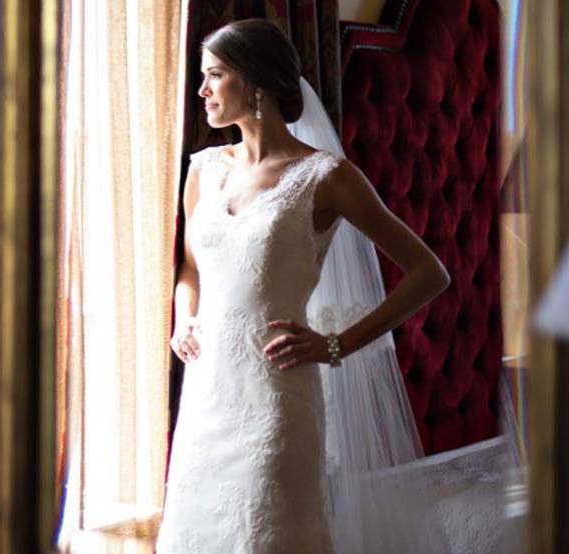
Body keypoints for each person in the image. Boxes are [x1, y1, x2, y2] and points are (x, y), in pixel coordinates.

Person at [156, 19, 454, 553]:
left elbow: (429, 273)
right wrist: (185, 318)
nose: (201, 90)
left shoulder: (326, 177)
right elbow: (191, 268)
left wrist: (336, 344)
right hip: (206, 397)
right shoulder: (202, 170)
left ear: (255, 83)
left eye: (215, 75)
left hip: (276, 398)